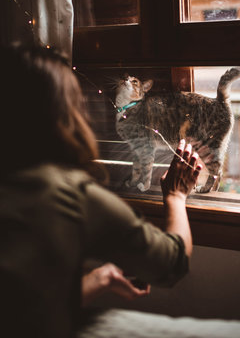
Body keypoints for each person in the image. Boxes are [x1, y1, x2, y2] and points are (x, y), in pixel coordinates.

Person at [0, 43, 201, 338]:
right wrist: (176, 195)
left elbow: (18, 306)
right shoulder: (67, 192)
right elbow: (173, 263)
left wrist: (98, 278)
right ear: (63, 112)